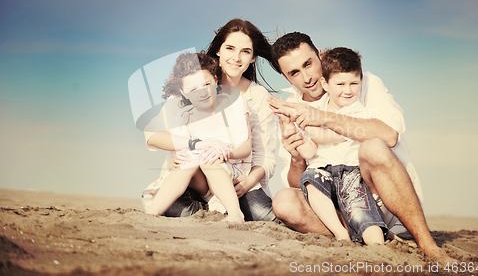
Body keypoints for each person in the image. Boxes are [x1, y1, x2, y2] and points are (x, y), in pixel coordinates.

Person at [267, 32, 454, 262]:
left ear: (320, 55)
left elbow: (389, 135)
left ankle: (427, 245)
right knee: (284, 201)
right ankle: (354, 233)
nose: (307, 77)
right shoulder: (292, 110)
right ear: (287, 79)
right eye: (294, 72)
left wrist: (323, 118)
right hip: (333, 207)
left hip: (378, 195)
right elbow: (300, 182)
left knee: (373, 147)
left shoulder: (359, 83)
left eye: (308, 64)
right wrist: (295, 156)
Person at [279, 47, 387, 245]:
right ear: (326, 84)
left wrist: (303, 121)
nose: (347, 90)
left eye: (354, 84)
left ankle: (377, 245)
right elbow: (311, 150)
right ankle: (340, 233)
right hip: (325, 172)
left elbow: (327, 137)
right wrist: (292, 132)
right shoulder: (317, 109)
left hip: (351, 172)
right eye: (341, 84)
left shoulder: (356, 112)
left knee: (360, 208)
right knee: (311, 180)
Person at [144, 52, 249, 223]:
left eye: (206, 84)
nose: (202, 93)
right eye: (193, 90)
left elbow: (245, 147)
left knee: (209, 158)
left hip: (225, 173)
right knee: (191, 159)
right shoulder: (185, 116)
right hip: (199, 182)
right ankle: (152, 212)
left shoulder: (233, 104)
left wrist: (221, 151)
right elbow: (171, 142)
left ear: (216, 79)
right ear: (183, 93)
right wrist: (177, 156)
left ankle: (235, 213)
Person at [206, 18, 277, 222]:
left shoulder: (258, 96)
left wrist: (248, 182)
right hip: (202, 178)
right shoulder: (201, 85)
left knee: (264, 215)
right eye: (230, 48)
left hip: (241, 181)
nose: (236, 58)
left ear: (253, 57)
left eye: (245, 51)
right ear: (218, 50)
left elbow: (266, 156)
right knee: (176, 208)